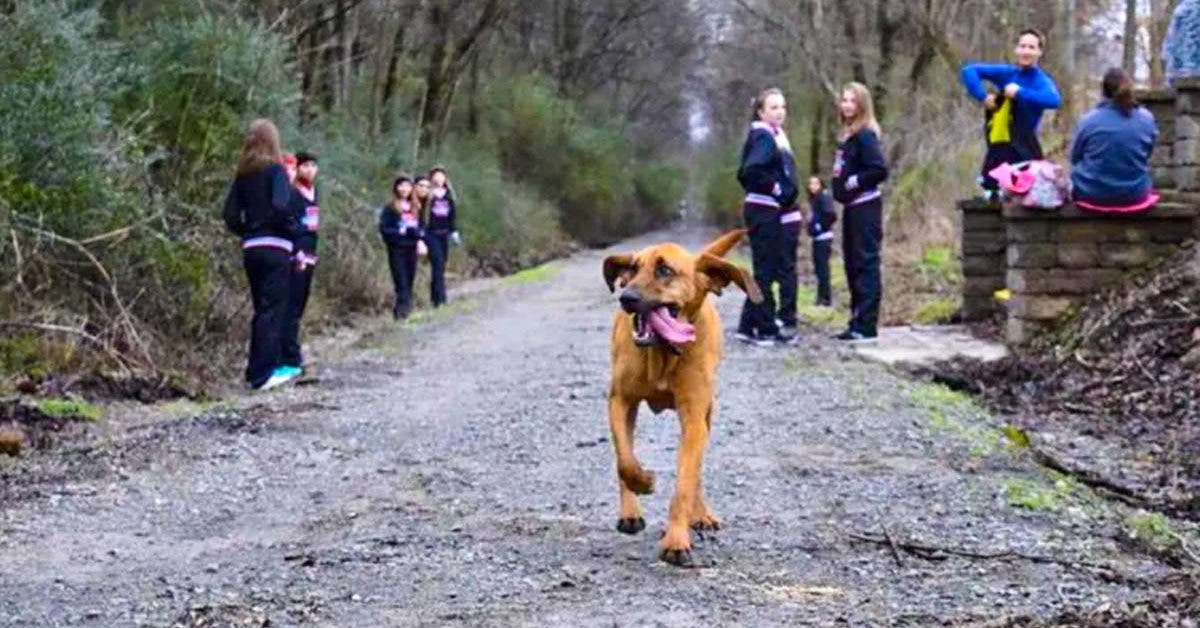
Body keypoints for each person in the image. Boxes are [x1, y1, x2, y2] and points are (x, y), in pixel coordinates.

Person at [222, 119, 301, 390]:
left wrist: (249, 231)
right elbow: (280, 204)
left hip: (252, 249)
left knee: (261, 309)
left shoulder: (243, 175)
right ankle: (262, 375)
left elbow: (229, 215)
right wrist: (290, 227)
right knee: (273, 309)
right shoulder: (276, 171)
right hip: (276, 248)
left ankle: (254, 370)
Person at [735, 87, 799, 347]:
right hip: (762, 208)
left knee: (765, 268)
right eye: (773, 107)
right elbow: (750, 171)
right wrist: (776, 188)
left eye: (782, 107)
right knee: (765, 271)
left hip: (766, 209)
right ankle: (765, 328)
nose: (780, 112)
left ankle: (747, 325)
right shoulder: (763, 136)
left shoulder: (774, 136)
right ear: (761, 112)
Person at [832, 82, 888, 342]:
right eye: (844, 100)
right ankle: (855, 321)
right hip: (852, 209)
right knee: (852, 265)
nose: (847, 105)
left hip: (866, 207)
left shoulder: (866, 135)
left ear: (862, 105)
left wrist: (854, 181)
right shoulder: (848, 136)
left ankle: (866, 325)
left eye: (852, 101)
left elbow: (878, 169)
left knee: (866, 263)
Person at [961, 29, 1061, 165]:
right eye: (1022, 46)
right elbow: (969, 71)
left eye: (1031, 47)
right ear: (1016, 49)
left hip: (1024, 151)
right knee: (991, 185)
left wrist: (1020, 92)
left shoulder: (1040, 80)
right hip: (998, 147)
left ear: (1039, 53)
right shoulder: (1007, 73)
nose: (1026, 51)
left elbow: (1054, 100)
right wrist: (983, 97)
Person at [1070, 68, 1159, 213]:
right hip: (1135, 193)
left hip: (1090, 193)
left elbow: (1075, 157)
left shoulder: (1088, 120)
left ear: (1103, 91)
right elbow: (1147, 153)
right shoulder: (1147, 118)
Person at [281, 151, 320, 375]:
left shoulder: (315, 192)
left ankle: (292, 349)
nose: (309, 170)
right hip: (296, 254)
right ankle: (289, 355)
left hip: (311, 251)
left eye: (313, 166)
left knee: (300, 303)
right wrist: (298, 254)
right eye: (304, 166)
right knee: (291, 305)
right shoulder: (291, 193)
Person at [379, 175, 425, 320]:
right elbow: (384, 229)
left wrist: (420, 240)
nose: (404, 189)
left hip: (411, 249)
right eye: (401, 185)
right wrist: (401, 231)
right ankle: (401, 313)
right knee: (401, 281)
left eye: (407, 186)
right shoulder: (390, 208)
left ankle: (406, 311)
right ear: (396, 188)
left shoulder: (415, 207)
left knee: (410, 280)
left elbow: (421, 227)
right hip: (397, 249)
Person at [425, 167, 460, 307]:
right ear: (432, 178)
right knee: (437, 263)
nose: (439, 179)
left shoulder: (449, 195)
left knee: (441, 265)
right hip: (431, 234)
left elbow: (452, 216)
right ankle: (440, 298)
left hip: (444, 234)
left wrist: (454, 232)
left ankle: (436, 297)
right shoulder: (428, 194)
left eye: (442, 176)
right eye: (436, 176)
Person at [806, 176, 837, 307]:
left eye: (816, 183)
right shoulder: (815, 199)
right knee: (819, 269)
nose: (812, 186)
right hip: (817, 238)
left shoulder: (824, 197)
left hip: (823, 238)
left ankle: (825, 299)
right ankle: (820, 298)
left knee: (823, 269)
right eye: (810, 184)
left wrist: (820, 227)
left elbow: (831, 215)